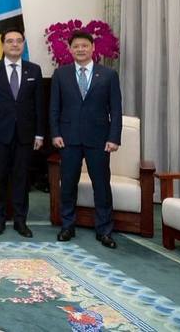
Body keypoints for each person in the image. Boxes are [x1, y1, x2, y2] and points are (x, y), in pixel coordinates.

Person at [51, 30, 122, 249]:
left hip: (99, 139)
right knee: (68, 184)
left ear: (93, 48)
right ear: (70, 50)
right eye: (76, 46)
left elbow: (116, 109)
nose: (80, 49)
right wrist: (55, 133)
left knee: (101, 185)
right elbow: (54, 107)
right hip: (68, 139)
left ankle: (104, 230)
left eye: (85, 46)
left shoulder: (108, 75)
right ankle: (67, 225)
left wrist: (114, 137)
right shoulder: (60, 74)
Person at [0, 28, 44, 238]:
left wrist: (39, 134)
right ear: (3, 45)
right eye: (10, 41)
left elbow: (38, 105)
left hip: (26, 135)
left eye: (18, 41)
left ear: (23, 45)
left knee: (21, 178)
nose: (14, 44)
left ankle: (20, 220)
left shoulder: (34, 70)